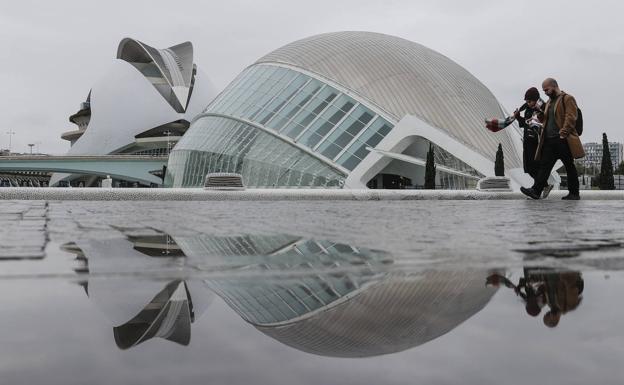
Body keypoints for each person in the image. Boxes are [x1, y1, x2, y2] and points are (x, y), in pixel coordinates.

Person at [520, 78, 585, 200]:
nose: (545, 92)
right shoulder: (549, 102)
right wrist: (540, 114)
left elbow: (571, 117)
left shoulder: (567, 98)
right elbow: (545, 119)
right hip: (549, 140)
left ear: (554, 86)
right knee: (544, 166)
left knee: (569, 166)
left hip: (562, 140)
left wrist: (563, 133)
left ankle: (574, 193)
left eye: (546, 89)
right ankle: (536, 190)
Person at [513, 87, 554, 198]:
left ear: (536, 99)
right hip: (528, 140)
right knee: (528, 167)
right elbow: (526, 124)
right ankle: (544, 186)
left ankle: (538, 188)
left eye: (530, 101)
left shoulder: (543, 107)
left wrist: (539, 111)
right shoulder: (527, 109)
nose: (528, 103)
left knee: (534, 165)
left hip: (537, 141)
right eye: (527, 101)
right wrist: (518, 117)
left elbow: (541, 123)